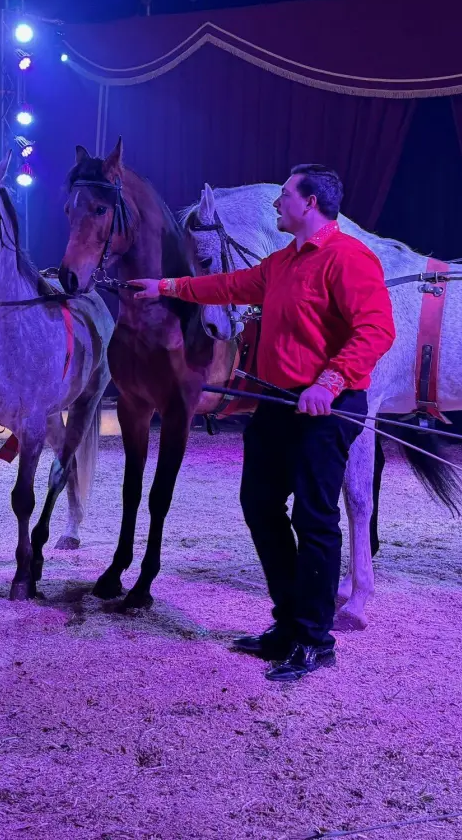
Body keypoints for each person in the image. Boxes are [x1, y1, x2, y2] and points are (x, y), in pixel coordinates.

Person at [126, 165, 396, 682]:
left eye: (284, 195)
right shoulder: (282, 262)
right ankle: (289, 623)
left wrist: (330, 383)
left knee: (315, 520)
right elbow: (227, 283)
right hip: (277, 403)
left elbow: (376, 330)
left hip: (325, 409)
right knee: (259, 503)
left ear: (310, 203)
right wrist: (163, 285)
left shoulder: (349, 258)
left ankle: (315, 639)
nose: (277, 204)